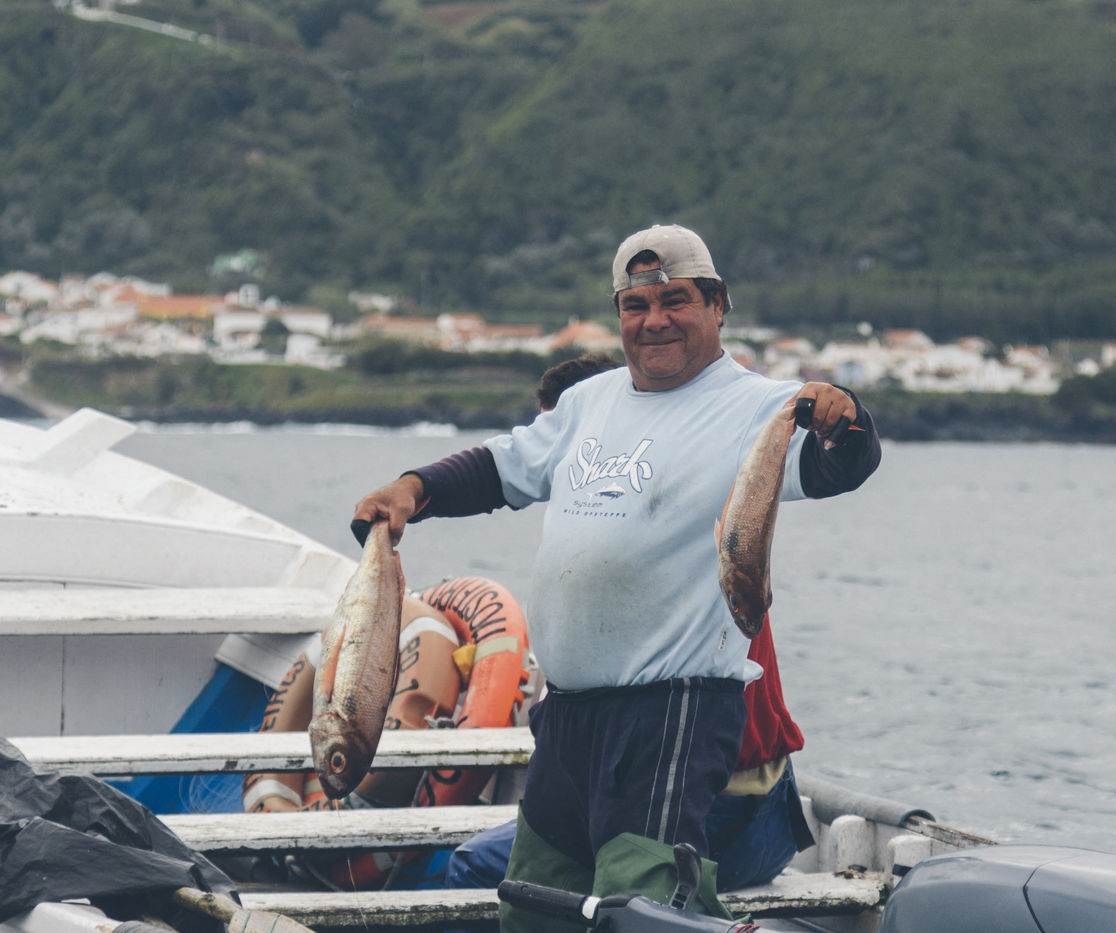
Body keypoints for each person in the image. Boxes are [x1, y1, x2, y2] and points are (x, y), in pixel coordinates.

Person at [352, 223, 881, 929]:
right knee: (534, 901)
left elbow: (840, 467)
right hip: (568, 716)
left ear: (718, 304)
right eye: (636, 305)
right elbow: (502, 468)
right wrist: (413, 488)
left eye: (675, 300)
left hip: (672, 711)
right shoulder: (588, 401)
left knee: (642, 905)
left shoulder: (759, 407)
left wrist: (846, 420)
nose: (654, 319)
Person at [445, 352, 816, 895]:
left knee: (482, 868)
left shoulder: (678, 581)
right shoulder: (647, 552)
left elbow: (677, 759)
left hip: (735, 812)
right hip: (756, 806)